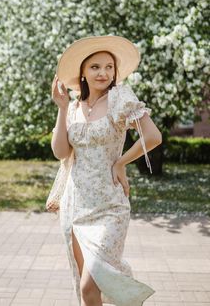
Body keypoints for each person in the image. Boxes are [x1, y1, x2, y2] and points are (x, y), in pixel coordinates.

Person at [51, 35, 162, 306]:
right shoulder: (74, 107)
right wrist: (62, 109)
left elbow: (152, 136)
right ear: (83, 74)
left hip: (110, 205)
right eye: (95, 67)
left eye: (109, 67)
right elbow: (61, 152)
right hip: (75, 204)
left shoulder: (120, 98)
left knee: (95, 280)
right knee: (85, 289)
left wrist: (121, 162)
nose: (104, 72)